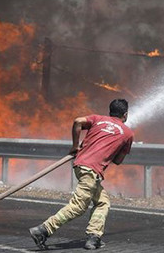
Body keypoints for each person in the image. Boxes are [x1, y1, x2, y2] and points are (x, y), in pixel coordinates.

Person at [29, 98, 134, 250]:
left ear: (110, 111)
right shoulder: (128, 134)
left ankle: (94, 237)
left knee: (102, 202)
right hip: (91, 171)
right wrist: (113, 147)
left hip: (81, 166)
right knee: (78, 206)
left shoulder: (98, 119)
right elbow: (118, 161)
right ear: (125, 114)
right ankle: (43, 230)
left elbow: (78, 121)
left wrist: (75, 146)